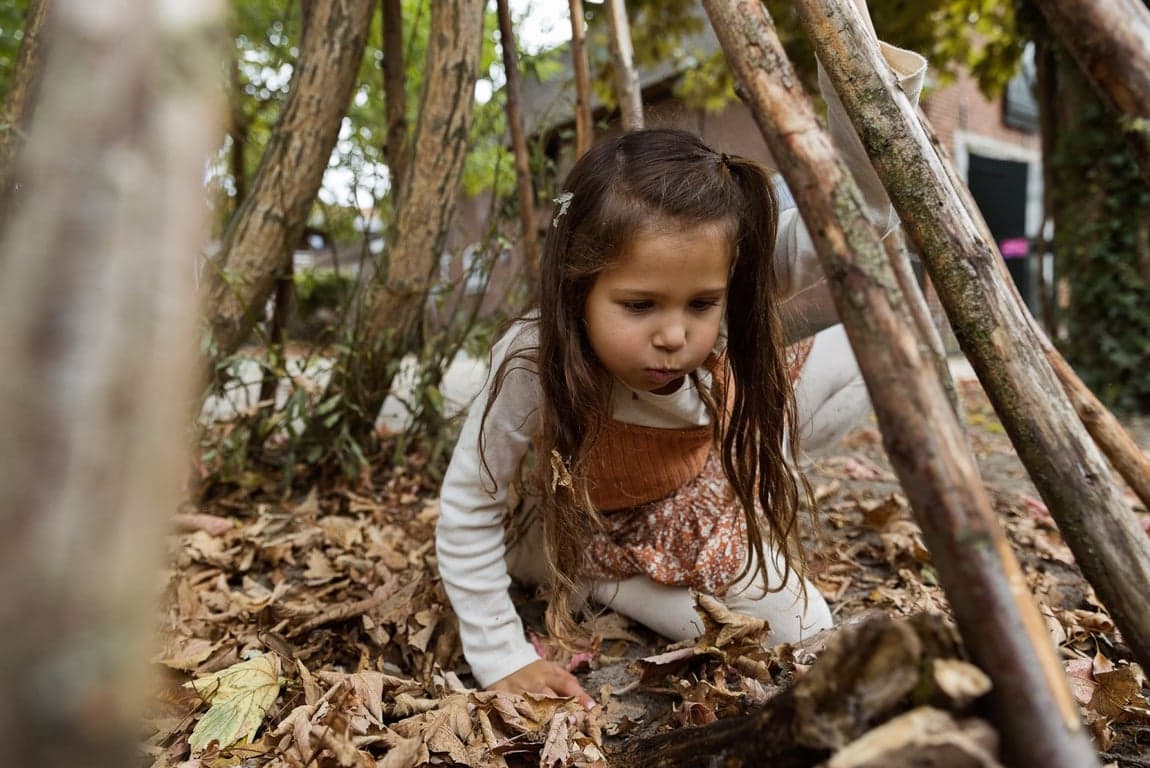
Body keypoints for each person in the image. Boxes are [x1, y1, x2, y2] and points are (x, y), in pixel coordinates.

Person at [436, 15, 925, 708]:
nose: (676, 335)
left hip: (706, 461)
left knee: (886, 349)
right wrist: (499, 654)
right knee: (797, 628)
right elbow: (469, 504)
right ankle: (599, 572)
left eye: (702, 305)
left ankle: (738, 487)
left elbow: (850, 216)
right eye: (639, 306)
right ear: (578, 285)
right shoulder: (530, 359)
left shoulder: (728, 282)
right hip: (606, 517)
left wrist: (860, 90)